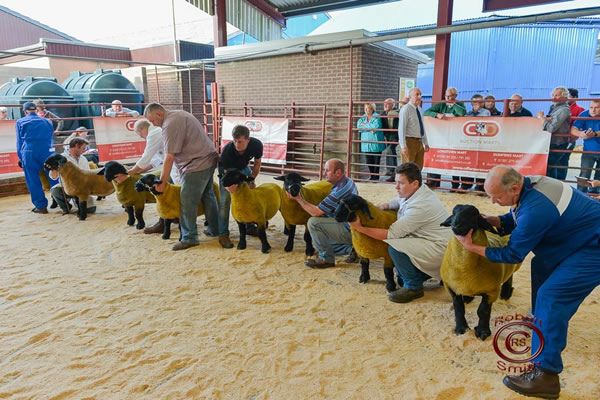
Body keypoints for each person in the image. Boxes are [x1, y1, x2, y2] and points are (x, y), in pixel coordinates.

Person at [455, 166, 600, 399]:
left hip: (593, 247)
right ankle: (542, 323)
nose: (492, 201)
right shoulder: (530, 185)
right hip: (578, 235)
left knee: (552, 296)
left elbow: (513, 254)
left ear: (514, 187)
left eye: (496, 197)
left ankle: (546, 376)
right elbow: (519, 217)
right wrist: (495, 220)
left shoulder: (536, 208)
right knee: (541, 265)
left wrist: (473, 247)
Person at [348, 162, 450, 303]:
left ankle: (414, 287)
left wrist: (361, 229)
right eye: (396, 182)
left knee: (395, 247)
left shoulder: (420, 206)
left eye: (400, 183)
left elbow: (391, 234)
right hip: (430, 241)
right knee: (401, 278)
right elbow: (398, 200)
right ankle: (420, 276)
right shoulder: (418, 191)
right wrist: (385, 205)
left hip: (438, 247)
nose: (396, 187)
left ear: (414, 183)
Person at [144, 103, 219, 251]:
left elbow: (169, 156)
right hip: (208, 159)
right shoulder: (179, 113)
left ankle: (189, 238)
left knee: (187, 201)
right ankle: (215, 229)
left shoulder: (169, 124)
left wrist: (162, 182)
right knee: (208, 195)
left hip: (196, 164)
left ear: (159, 114)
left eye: (152, 121)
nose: (153, 124)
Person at [289, 158, 358, 268]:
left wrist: (298, 198)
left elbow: (315, 212)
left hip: (349, 228)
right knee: (323, 242)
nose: (324, 173)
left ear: (338, 172)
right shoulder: (349, 181)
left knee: (313, 223)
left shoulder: (338, 192)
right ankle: (353, 249)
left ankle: (326, 259)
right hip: (353, 224)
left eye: (327, 170)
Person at [128, 118, 180, 235]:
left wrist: (131, 172)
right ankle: (175, 216)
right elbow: (155, 160)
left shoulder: (153, 133)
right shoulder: (156, 133)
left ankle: (166, 221)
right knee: (175, 191)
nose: (140, 136)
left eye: (139, 134)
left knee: (169, 194)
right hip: (173, 166)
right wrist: (138, 171)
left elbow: (146, 157)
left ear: (142, 129)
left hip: (176, 166)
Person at [218, 124, 263, 249]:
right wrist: (229, 187)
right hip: (227, 172)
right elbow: (227, 175)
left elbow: (257, 164)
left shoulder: (256, 145)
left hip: (243, 168)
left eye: (240, 142)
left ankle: (249, 226)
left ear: (248, 140)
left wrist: (251, 180)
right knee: (225, 201)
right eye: (235, 141)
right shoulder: (227, 151)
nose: (237, 144)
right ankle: (223, 234)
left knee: (249, 196)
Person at [16, 101, 57, 213]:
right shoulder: (47, 121)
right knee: (53, 176)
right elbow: (51, 138)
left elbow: (19, 142)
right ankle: (61, 200)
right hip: (47, 150)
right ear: (36, 110)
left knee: (33, 179)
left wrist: (21, 158)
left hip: (29, 151)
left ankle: (41, 206)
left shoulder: (20, 122)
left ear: (25, 111)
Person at [424, 87, 466, 188]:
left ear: (455, 96)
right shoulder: (441, 104)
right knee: (436, 156)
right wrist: (436, 114)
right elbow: (426, 112)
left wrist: (454, 105)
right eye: (446, 96)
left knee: (455, 160)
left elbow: (462, 113)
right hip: (441, 136)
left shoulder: (460, 104)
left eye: (450, 96)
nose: (447, 98)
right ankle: (434, 181)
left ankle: (455, 184)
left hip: (455, 136)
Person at [50, 137, 97, 215]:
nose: (85, 150)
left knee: (91, 209)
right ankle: (66, 208)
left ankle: (77, 203)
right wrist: (54, 169)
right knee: (55, 190)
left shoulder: (83, 159)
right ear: (76, 145)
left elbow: (88, 174)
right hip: (67, 186)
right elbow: (53, 177)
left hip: (82, 188)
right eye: (83, 148)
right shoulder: (60, 158)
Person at [538, 87, 571, 180]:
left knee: (550, 166)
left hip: (558, 143)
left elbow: (552, 127)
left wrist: (541, 118)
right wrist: (547, 119)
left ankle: (552, 184)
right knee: (551, 166)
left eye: (557, 95)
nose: (554, 97)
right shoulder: (554, 107)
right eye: (553, 95)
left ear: (565, 97)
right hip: (552, 141)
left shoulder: (564, 109)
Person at [461, 94, 491, 191]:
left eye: (480, 102)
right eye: (476, 102)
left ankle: (480, 186)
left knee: (481, 162)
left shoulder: (486, 112)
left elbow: (483, 124)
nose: (479, 104)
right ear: (472, 103)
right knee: (468, 162)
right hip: (470, 141)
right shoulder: (468, 113)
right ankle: (466, 184)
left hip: (482, 141)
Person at [570, 99, 600, 194]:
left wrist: (595, 134)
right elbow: (573, 129)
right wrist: (580, 133)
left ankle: (595, 194)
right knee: (584, 173)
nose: (593, 110)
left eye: (597, 108)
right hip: (588, 151)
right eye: (591, 107)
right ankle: (581, 194)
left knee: (599, 175)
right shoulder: (584, 114)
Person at [397, 88, 429, 170]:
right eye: (417, 94)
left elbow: (421, 126)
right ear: (410, 96)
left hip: (419, 142)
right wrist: (403, 146)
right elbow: (402, 128)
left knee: (419, 168)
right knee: (408, 169)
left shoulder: (419, 110)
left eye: (420, 94)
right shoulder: (405, 109)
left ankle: (416, 179)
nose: (420, 97)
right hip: (409, 141)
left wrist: (425, 142)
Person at [357, 103, 385, 181]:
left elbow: (376, 126)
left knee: (376, 161)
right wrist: (370, 128)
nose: (366, 110)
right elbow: (359, 126)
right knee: (368, 161)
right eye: (365, 109)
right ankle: (372, 176)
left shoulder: (377, 116)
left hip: (375, 142)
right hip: (366, 143)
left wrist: (365, 125)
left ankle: (376, 177)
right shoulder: (363, 117)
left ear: (372, 109)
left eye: (368, 108)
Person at [381, 98, 400, 180]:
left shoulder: (397, 112)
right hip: (388, 136)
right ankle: (392, 172)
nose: (385, 105)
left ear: (393, 105)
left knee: (390, 149)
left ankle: (392, 171)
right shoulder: (383, 114)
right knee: (390, 151)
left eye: (388, 104)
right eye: (384, 103)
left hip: (396, 135)